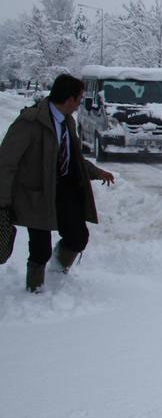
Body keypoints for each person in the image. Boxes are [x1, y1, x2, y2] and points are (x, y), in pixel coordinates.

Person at [0, 74, 115, 292]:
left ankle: (57, 275)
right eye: (80, 97)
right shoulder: (30, 122)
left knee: (78, 237)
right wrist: (3, 200)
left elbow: (74, 158)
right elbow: (6, 162)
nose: (81, 102)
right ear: (69, 99)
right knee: (40, 249)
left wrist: (96, 172)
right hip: (37, 194)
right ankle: (35, 291)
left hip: (64, 191)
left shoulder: (68, 121)